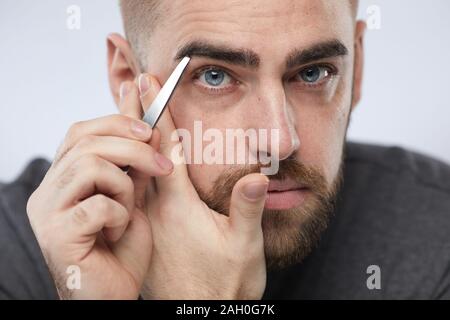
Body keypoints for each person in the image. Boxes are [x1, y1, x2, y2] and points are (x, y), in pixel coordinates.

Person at [1, 0, 450, 299]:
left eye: (313, 73)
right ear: (127, 78)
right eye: (214, 75)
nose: (279, 141)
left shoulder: (437, 237)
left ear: (358, 64)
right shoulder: (18, 253)